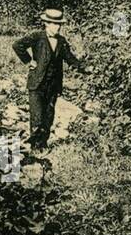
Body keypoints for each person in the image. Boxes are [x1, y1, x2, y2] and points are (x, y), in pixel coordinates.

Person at [12, 9, 81, 151]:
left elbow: (70, 59)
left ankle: (43, 143)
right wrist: (29, 61)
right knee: (37, 116)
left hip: (53, 85)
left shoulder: (61, 41)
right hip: (37, 83)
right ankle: (35, 147)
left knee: (48, 116)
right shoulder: (37, 36)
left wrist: (85, 68)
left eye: (59, 25)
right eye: (54, 24)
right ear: (46, 24)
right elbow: (17, 45)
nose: (57, 27)